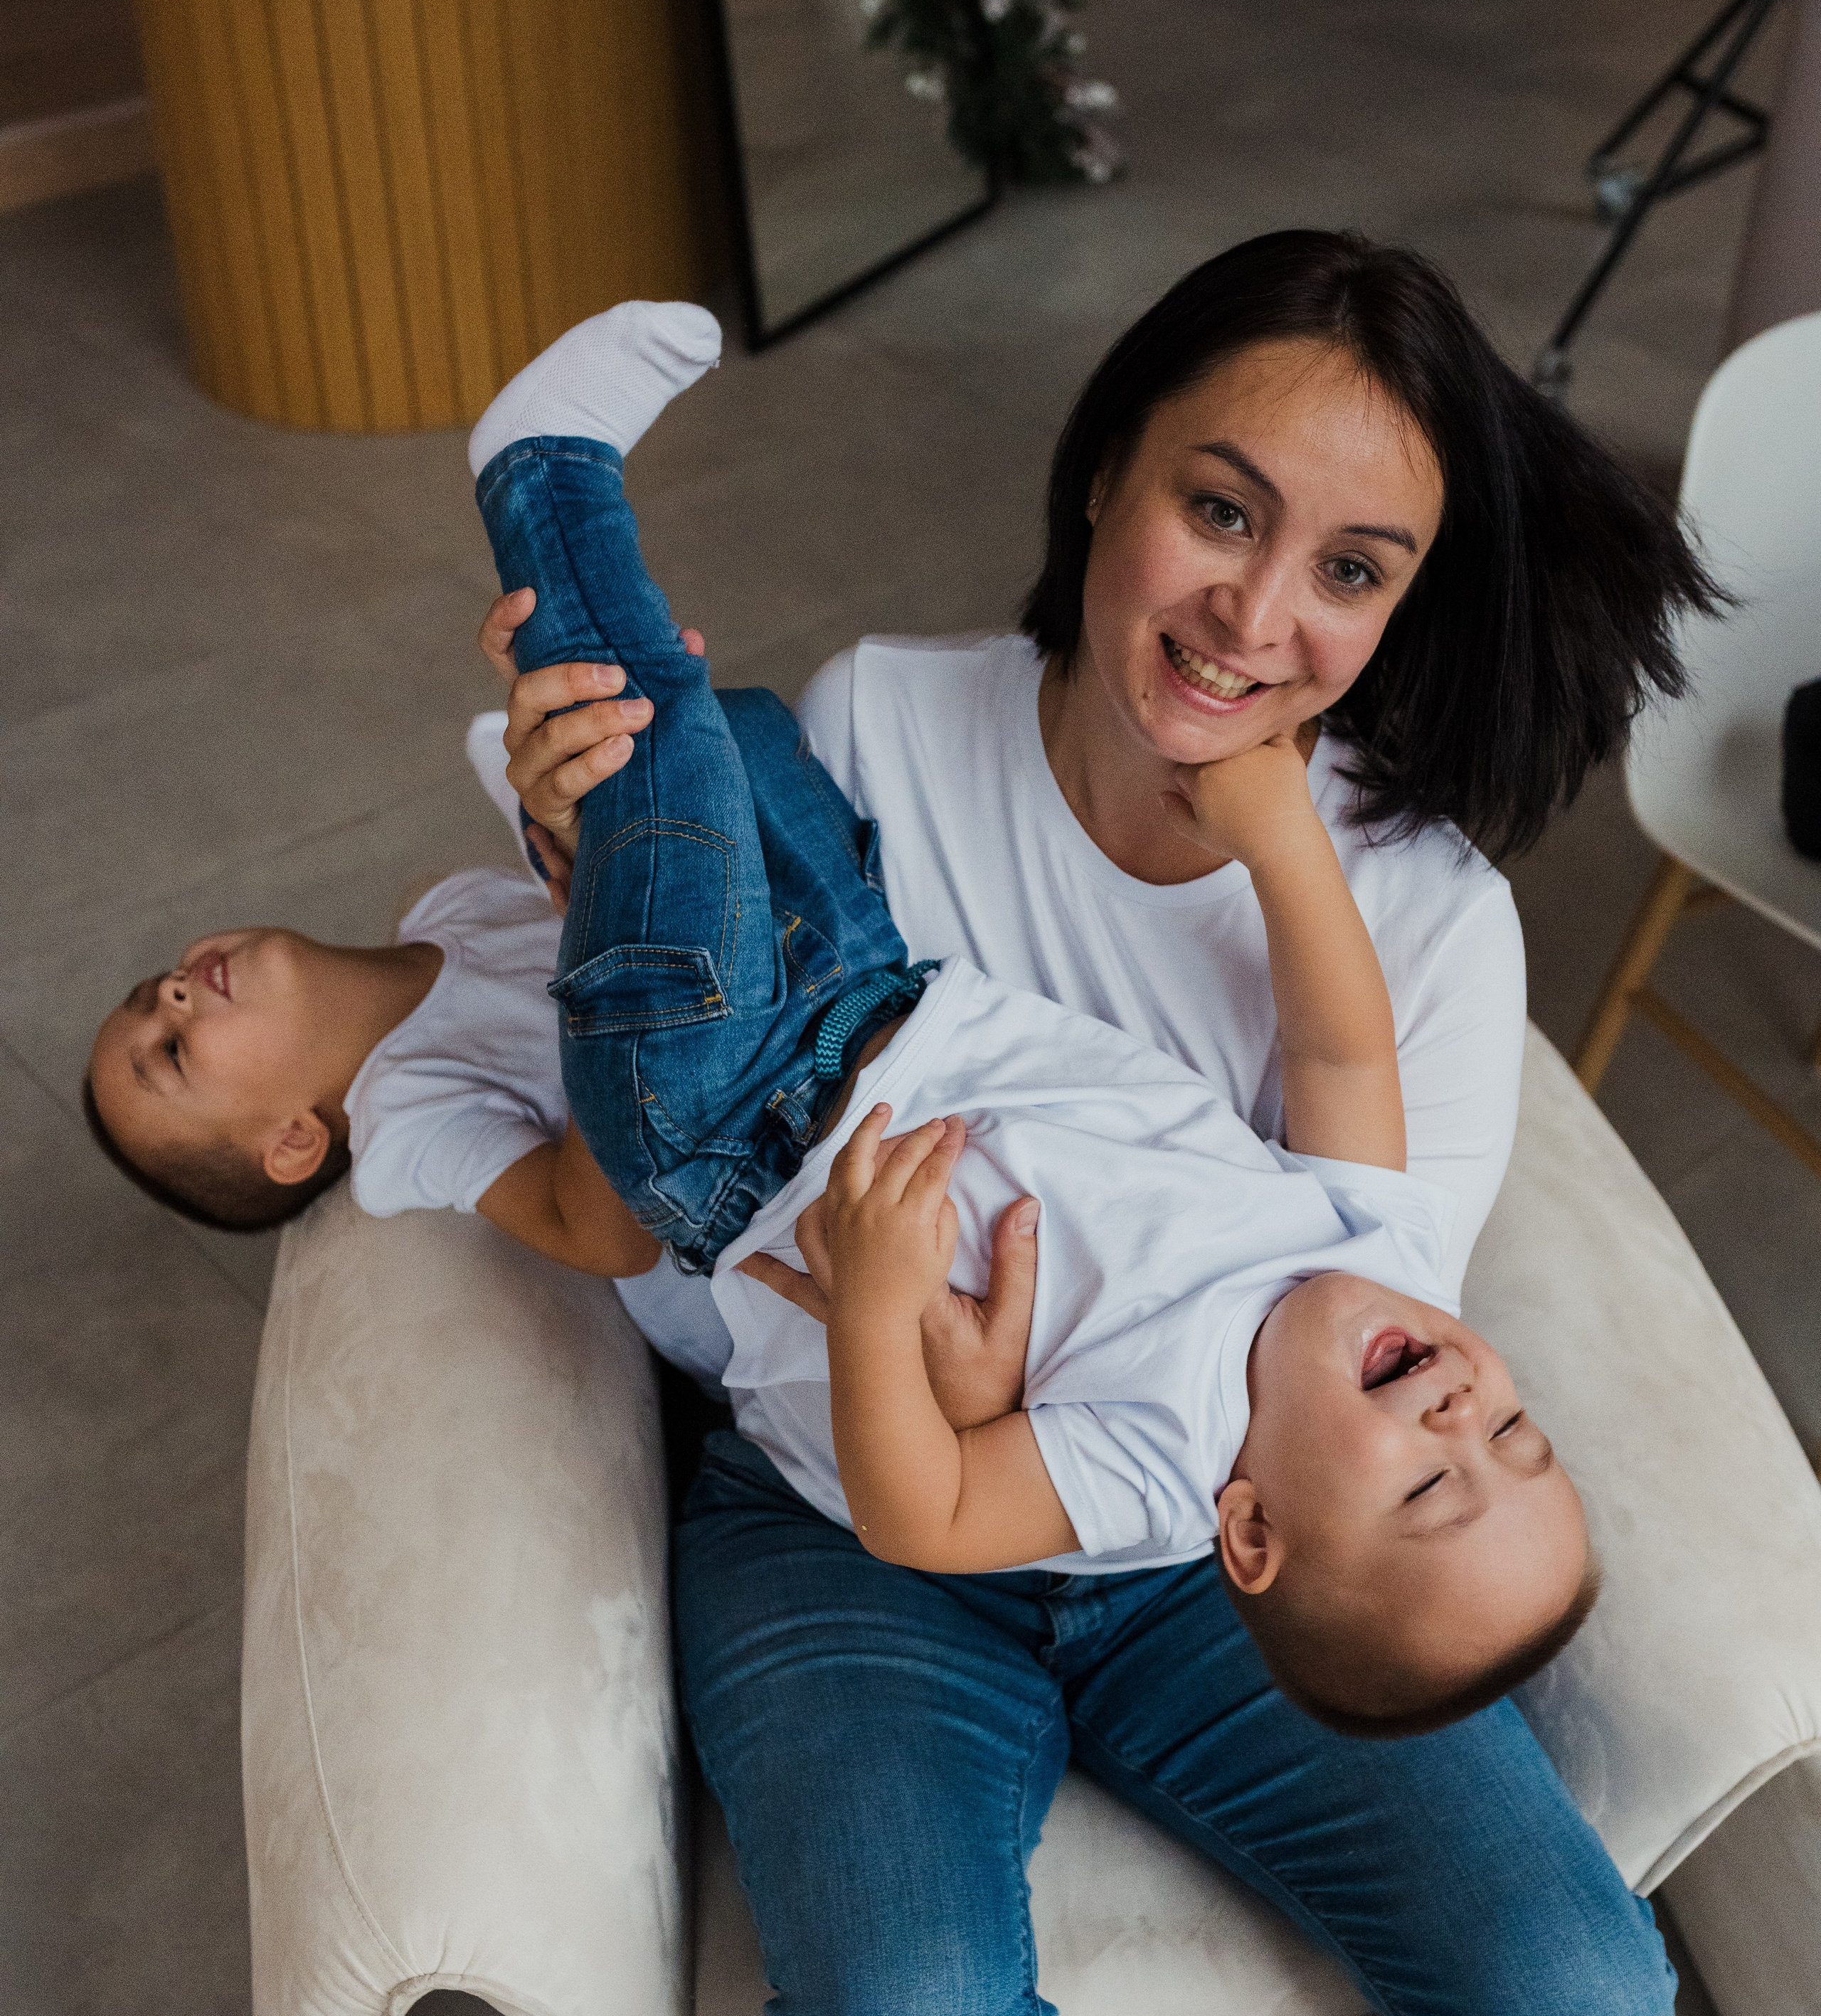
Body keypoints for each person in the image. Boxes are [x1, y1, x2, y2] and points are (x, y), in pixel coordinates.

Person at [485, 232, 1717, 2016]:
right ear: (1103, 481)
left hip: (1234, 1553)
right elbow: (701, 1148)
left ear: (1407, 605)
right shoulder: (892, 721)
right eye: (1218, 509)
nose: (1255, 612)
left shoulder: (1414, 918)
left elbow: (1370, 1301)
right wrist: (585, 844)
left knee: (1584, 2015)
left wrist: (1279, 841)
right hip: (840, 1511)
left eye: (1351, 567)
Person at [84, 297, 1593, 1737]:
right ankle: (580, 786)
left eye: (1424, 1482)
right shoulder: (1376, 1259)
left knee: (667, 769)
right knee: (728, 735)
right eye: (1512, 1436)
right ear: (1108, 476)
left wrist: (879, 1317)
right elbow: (1339, 1046)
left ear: (1249, 1528)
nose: (1460, 1414)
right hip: (874, 997)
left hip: (736, 1124)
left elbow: (917, 1509)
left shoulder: (1165, 1458)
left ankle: (543, 475)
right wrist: (1277, 842)